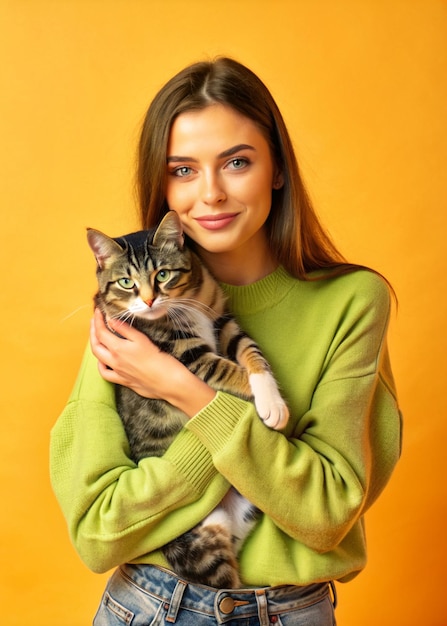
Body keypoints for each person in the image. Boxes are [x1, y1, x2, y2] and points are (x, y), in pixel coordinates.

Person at [50, 57, 402, 625]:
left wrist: (187, 392)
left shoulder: (353, 302)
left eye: (236, 162)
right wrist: (252, 439)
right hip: (145, 605)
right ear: (161, 183)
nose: (210, 194)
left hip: (289, 612)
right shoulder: (131, 310)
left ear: (278, 170)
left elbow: (324, 510)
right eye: (183, 170)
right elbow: (98, 531)